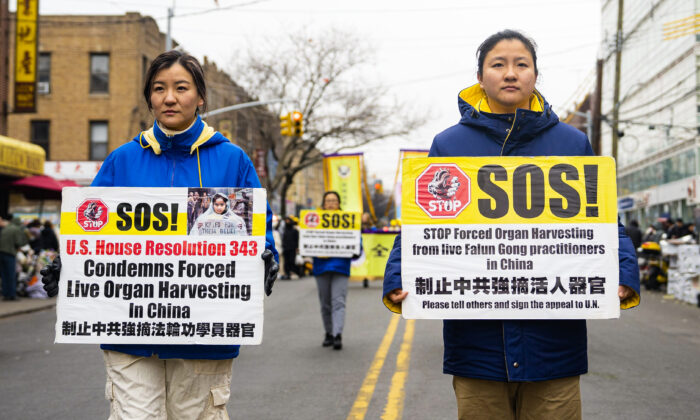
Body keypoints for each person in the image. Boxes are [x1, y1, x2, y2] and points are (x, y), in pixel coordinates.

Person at [382, 30, 640, 420]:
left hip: (555, 347)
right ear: (481, 75)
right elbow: (423, 225)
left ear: (535, 74)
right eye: (498, 64)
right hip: (477, 349)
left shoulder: (573, 143)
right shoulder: (449, 145)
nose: (510, 73)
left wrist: (623, 270)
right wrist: (400, 275)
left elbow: (601, 221)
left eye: (521, 64)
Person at [40, 50, 278, 419]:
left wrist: (265, 255)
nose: (169, 98)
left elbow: (258, 229)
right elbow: (87, 228)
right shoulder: (121, 160)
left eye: (181, 88)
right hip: (128, 332)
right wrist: (66, 263)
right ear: (149, 97)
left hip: (206, 336)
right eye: (158, 88)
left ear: (200, 97)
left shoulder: (233, 160)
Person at [313, 191, 355, 350]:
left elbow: (356, 240)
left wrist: (356, 248)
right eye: (328, 201)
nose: (331, 203)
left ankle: (337, 334)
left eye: (334, 201)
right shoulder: (314, 220)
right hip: (321, 266)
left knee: (338, 301)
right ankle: (328, 333)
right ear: (323, 204)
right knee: (325, 303)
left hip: (340, 266)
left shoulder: (348, 221)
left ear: (339, 204)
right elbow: (306, 239)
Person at [0, 214, 29, 301]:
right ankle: (12, 295)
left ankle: (5, 294)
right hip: (9, 253)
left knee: (4, 275)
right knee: (11, 275)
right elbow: (19, 242)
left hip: (1, 253)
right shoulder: (16, 229)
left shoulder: (6, 228)